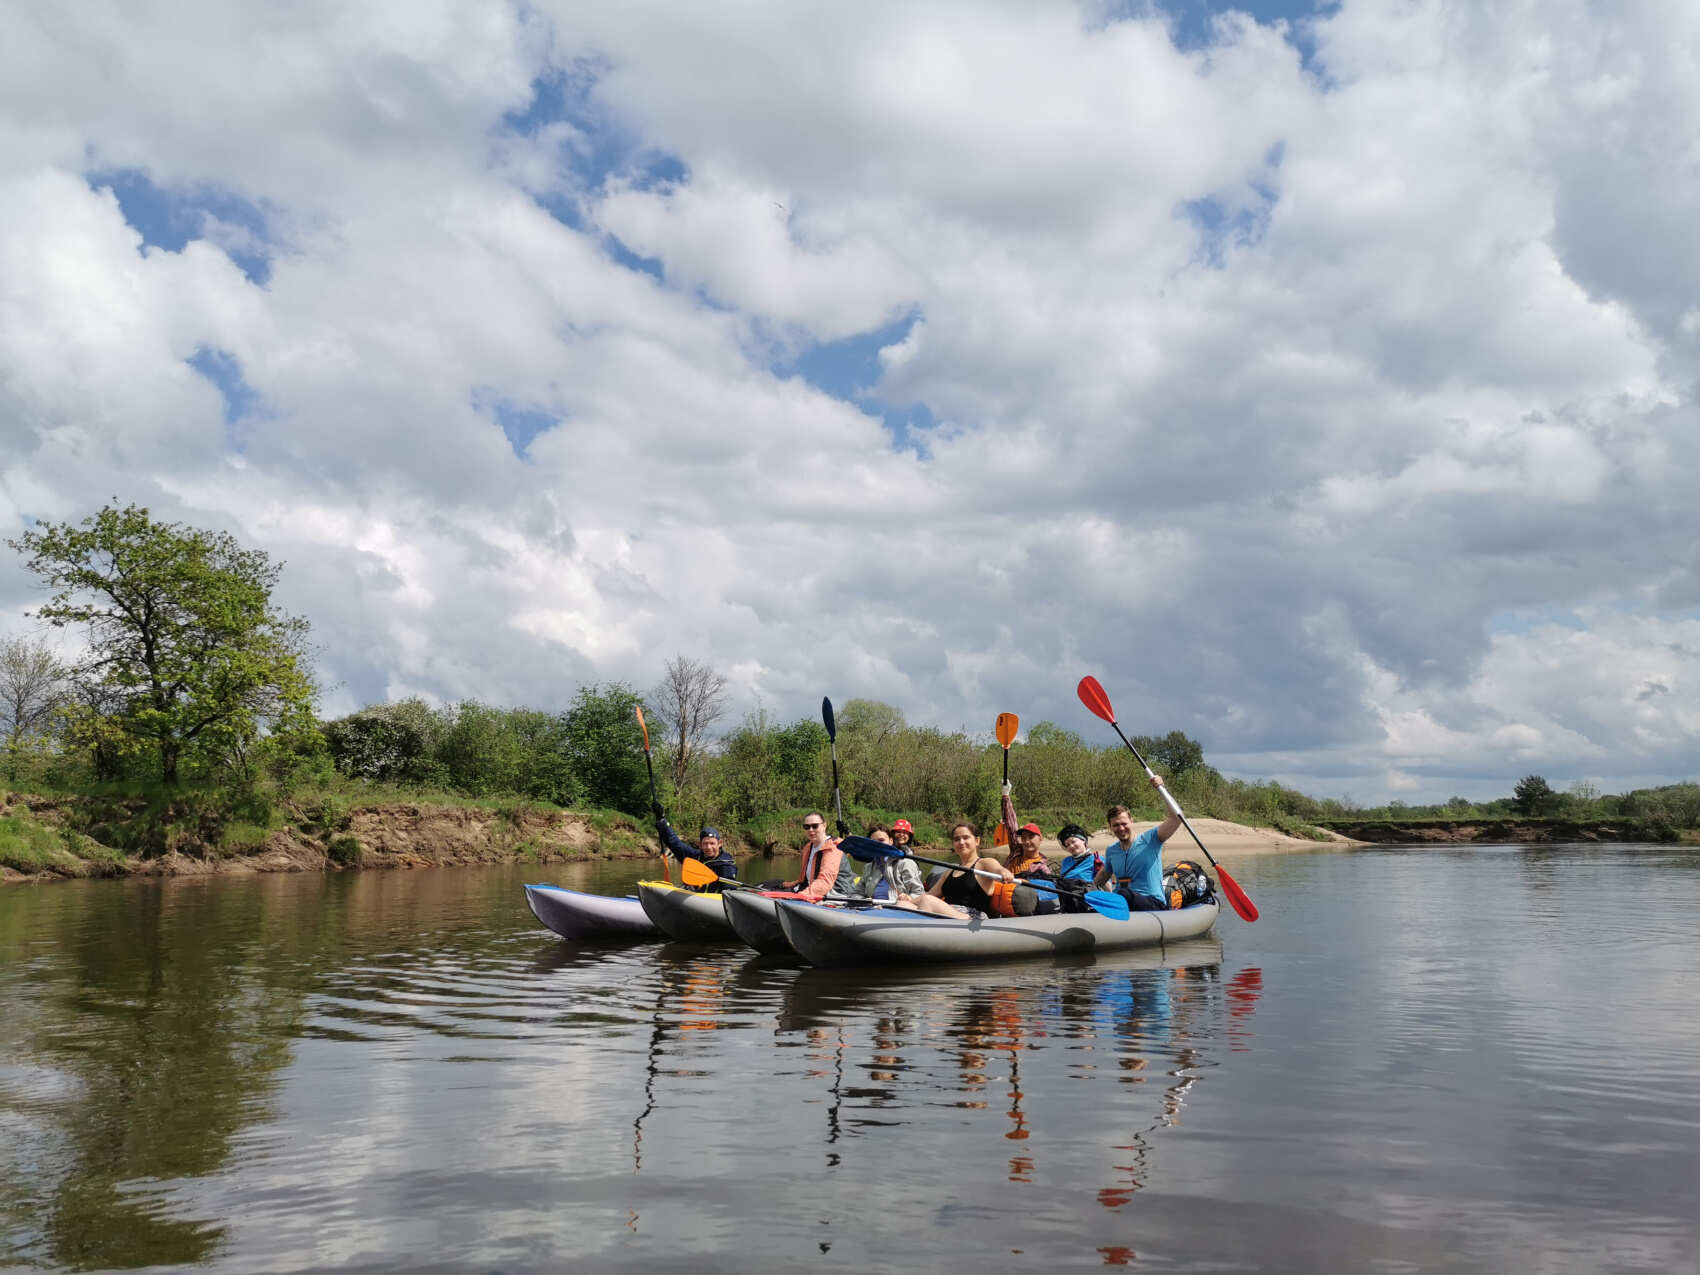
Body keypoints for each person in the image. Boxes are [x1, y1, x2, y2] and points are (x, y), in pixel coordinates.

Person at [1093, 776, 1183, 911]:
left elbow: (1176, 818)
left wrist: (1161, 788)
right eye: (1116, 825)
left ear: (1131, 821)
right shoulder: (1111, 850)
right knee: (1115, 895)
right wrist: (1086, 889)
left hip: (1152, 903)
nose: (1121, 828)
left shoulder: (1151, 839)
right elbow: (1105, 874)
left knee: (1124, 894)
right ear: (1110, 827)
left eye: (1124, 823)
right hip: (1123, 903)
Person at [925, 822, 1031, 918]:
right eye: (957, 839)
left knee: (927, 901)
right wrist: (910, 899)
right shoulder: (950, 871)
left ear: (977, 841)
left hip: (971, 918)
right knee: (912, 902)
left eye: (966, 837)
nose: (961, 842)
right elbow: (930, 895)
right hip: (947, 914)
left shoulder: (983, 863)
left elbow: (997, 868)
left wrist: (1004, 872)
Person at [654, 813, 737, 892]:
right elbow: (675, 843)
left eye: (712, 843)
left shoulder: (726, 864)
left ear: (719, 844)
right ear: (700, 845)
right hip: (693, 897)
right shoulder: (695, 856)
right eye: (705, 844)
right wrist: (662, 821)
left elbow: (728, 893)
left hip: (711, 902)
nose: (708, 847)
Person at [790, 810, 858, 902]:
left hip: (837, 893)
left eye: (815, 826)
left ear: (824, 826)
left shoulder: (833, 848)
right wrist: (786, 885)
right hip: (814, 890)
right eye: (807, 827)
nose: (810, 830)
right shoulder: (808, 848)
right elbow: (804, 879)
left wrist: (800, 897)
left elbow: (825, 882)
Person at [852, 822, 927, 905]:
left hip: (898, 909)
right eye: (873, 842)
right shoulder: (869, 866)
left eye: (881, 840)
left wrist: (909, 898)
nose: (877, 844)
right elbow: (857, 893)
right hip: (873, 909)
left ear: (891, 841)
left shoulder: (906, 863)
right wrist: (862, 901)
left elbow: (919, 893)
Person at [1054, 823, 1103, 914]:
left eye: (1073, 842)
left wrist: (1101, 870)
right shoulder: (1066, 861)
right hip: (1067, 902)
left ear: (1083, 840)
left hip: (1086, 903)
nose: (1071, 846)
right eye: (1067, 845)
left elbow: (1108, 890)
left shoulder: (1096, 859)